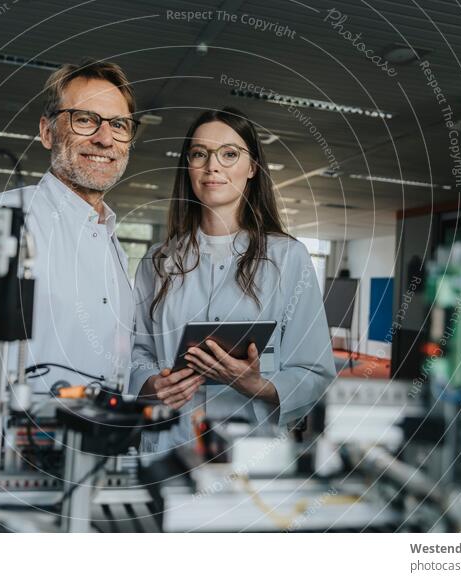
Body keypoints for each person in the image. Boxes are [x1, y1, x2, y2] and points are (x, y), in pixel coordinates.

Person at [129, 107, 335, 453]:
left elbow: (314, 370)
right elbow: (138, 352)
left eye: (229, 154)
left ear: (252, 167)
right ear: (188, 167)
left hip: (254, 452)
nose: (213, 166)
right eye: (200, 154)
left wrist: (258, 385)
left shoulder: (288, 258)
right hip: (169, 444)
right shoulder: (157, 261)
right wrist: (150, 384)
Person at [0, 59, 138, 401]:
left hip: (97, 445)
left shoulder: (112, 242)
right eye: (86, 119)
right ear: (47, 132)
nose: (105, 138)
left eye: (119, 124)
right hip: (10, 444)